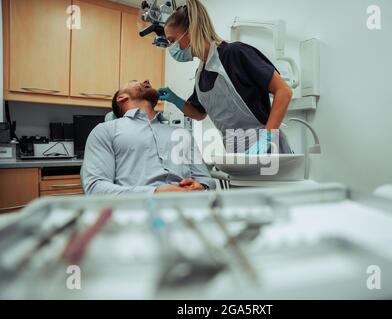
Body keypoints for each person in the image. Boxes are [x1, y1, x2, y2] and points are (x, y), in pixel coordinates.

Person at [157, 0, 293, 154]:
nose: (171, 48)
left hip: (270, 152)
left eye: (172, 41)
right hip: (238, 157)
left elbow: (284, 91)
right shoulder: (200, 74)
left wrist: (267, 139)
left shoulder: (235, 54)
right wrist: (176, 100)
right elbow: (199, 114)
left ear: (190, 31)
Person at [82, 80, 216, 195]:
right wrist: (157, 193)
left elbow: (206, 180)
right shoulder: (106, 131)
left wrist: (201, 187)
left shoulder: (183, 133)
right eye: (135, 81)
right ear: (122, 98)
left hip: (186, 210)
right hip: (138, 213)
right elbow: (95, 188)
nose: (146, 80)